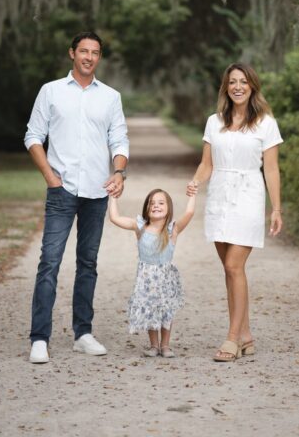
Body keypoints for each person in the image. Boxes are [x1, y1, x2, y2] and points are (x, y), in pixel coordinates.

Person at [24, 32, 129, 364]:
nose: (89, 56)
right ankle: (40, 338)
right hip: (62, 189)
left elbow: (119, 139)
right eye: (83, 51)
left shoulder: (111, 97)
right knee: (49, 263)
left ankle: (83, 333)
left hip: (97, 192)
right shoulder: (51, 91)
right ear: (72, 53)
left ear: (99, 58)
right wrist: (50, 178)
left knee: (88, 264)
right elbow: (33, 136)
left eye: (95, 52)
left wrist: (118, 172)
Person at [189, 62, 283, 362]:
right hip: (218, 196)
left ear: (252, 86)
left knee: (233, 266)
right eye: (233, 82)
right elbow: (207, 163)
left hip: (248, 196)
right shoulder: (213, 122)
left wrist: (276, 208)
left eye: (243, 81)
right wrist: (195, 181)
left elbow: (271, 168)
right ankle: (244, 334)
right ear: (226, 87)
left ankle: (231, 339)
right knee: (231, 271)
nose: (238, 87)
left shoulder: (265, 123)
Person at [107, 187, 194, 357]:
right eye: (151, 203)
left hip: (165, 278)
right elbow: (115, 218)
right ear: (146, 208)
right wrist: (113, 197)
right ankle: (154, 345)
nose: (156, 206)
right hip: (146, 280)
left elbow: (190, 212)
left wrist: (192, 195)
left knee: (166, 311)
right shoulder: (140, 226)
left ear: (169, 208)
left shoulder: (172, 229)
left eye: (161, 203)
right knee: (150, 310)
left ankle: (166, 345)